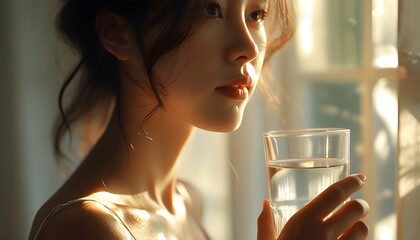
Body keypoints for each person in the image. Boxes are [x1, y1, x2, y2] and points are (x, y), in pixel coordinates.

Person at [29, 0, 369, 239]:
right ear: (118, 34)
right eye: (211, 9)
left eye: (257, 13)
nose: (248, 47)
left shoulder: (186, 203)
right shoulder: (86, 228)